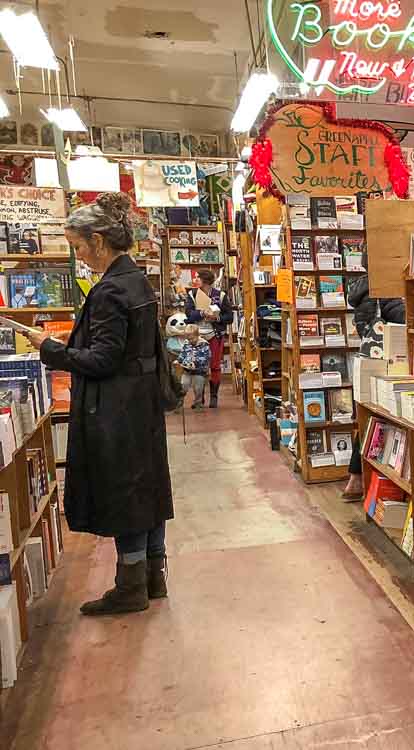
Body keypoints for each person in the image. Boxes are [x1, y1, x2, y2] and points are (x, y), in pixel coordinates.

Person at [25, 192, 173, 615]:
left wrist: (51, 348)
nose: (80, 257)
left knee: (126, 490)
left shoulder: (110, 291)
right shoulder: (135, 279)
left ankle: (130, 587)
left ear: (99, 241)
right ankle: (152, 577)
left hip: (119, 406)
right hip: (141, 401)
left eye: (78, 247)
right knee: (146, 486)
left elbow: (104, 358)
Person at [342, 277, 404, 499]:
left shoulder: (362, 292)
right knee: (377, 419)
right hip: (388, 365)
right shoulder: (384, 292)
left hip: (369, 365)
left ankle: (355, 478)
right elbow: (404, 320)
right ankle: (359, 478)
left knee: (367, 418)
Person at [184, 269, 233, 408]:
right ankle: (199, 398)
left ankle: (214, 397)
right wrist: (201, 313)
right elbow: (188, 314)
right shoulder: (192, 295)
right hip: (196, 337)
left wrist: (216, 317)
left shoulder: (221, 296)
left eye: (198, 277)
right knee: (197, 367)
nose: (195, 280)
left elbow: (229, 317)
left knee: (215, 366)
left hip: (214, 335)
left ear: (204, 280)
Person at [177, 324, 210, 409]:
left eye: (192, 338)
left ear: (197, 335)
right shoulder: (186, 344)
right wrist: (179, 360)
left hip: (199, 371)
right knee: (183, 386)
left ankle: (198, 403)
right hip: (186, 371)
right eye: (188, 339)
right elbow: (182, 354)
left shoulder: (204, 344)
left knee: (198, 388)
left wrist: (196, 363)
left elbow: (206, 357)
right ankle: (179, 403)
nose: (190, 341)